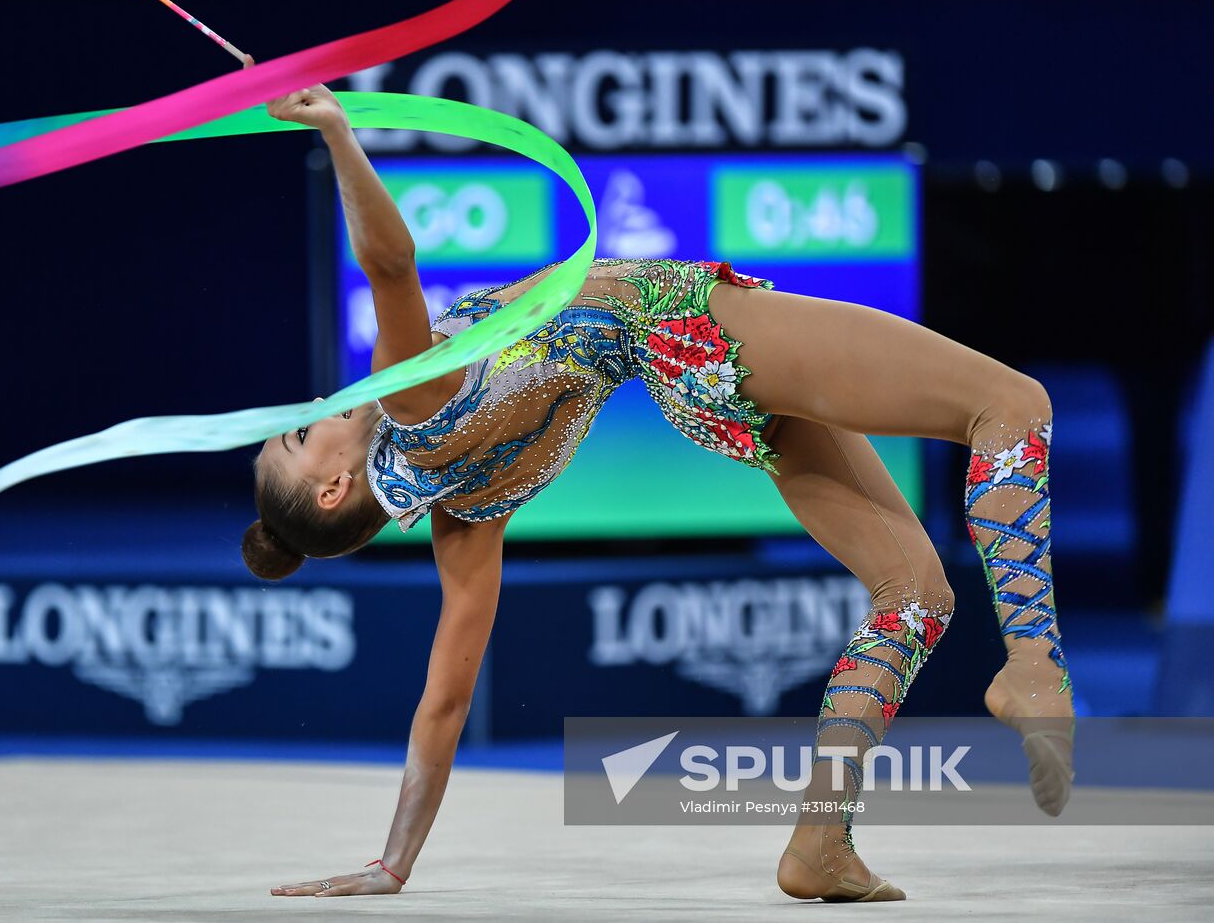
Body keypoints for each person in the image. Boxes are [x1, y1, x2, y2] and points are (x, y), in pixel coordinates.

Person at [247, 76, 1074, 903]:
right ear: (333, 486)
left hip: (694, 389)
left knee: (916, 594)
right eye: (297, 435)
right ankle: (1034, 661)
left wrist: (392, 864)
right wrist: (339, 135)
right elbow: (389, 260)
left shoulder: (464, 513)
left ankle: (822, 839)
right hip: (687, 325)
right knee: (1011, 404)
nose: (310, 410)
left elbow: (444, 703)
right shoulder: (409, 398)